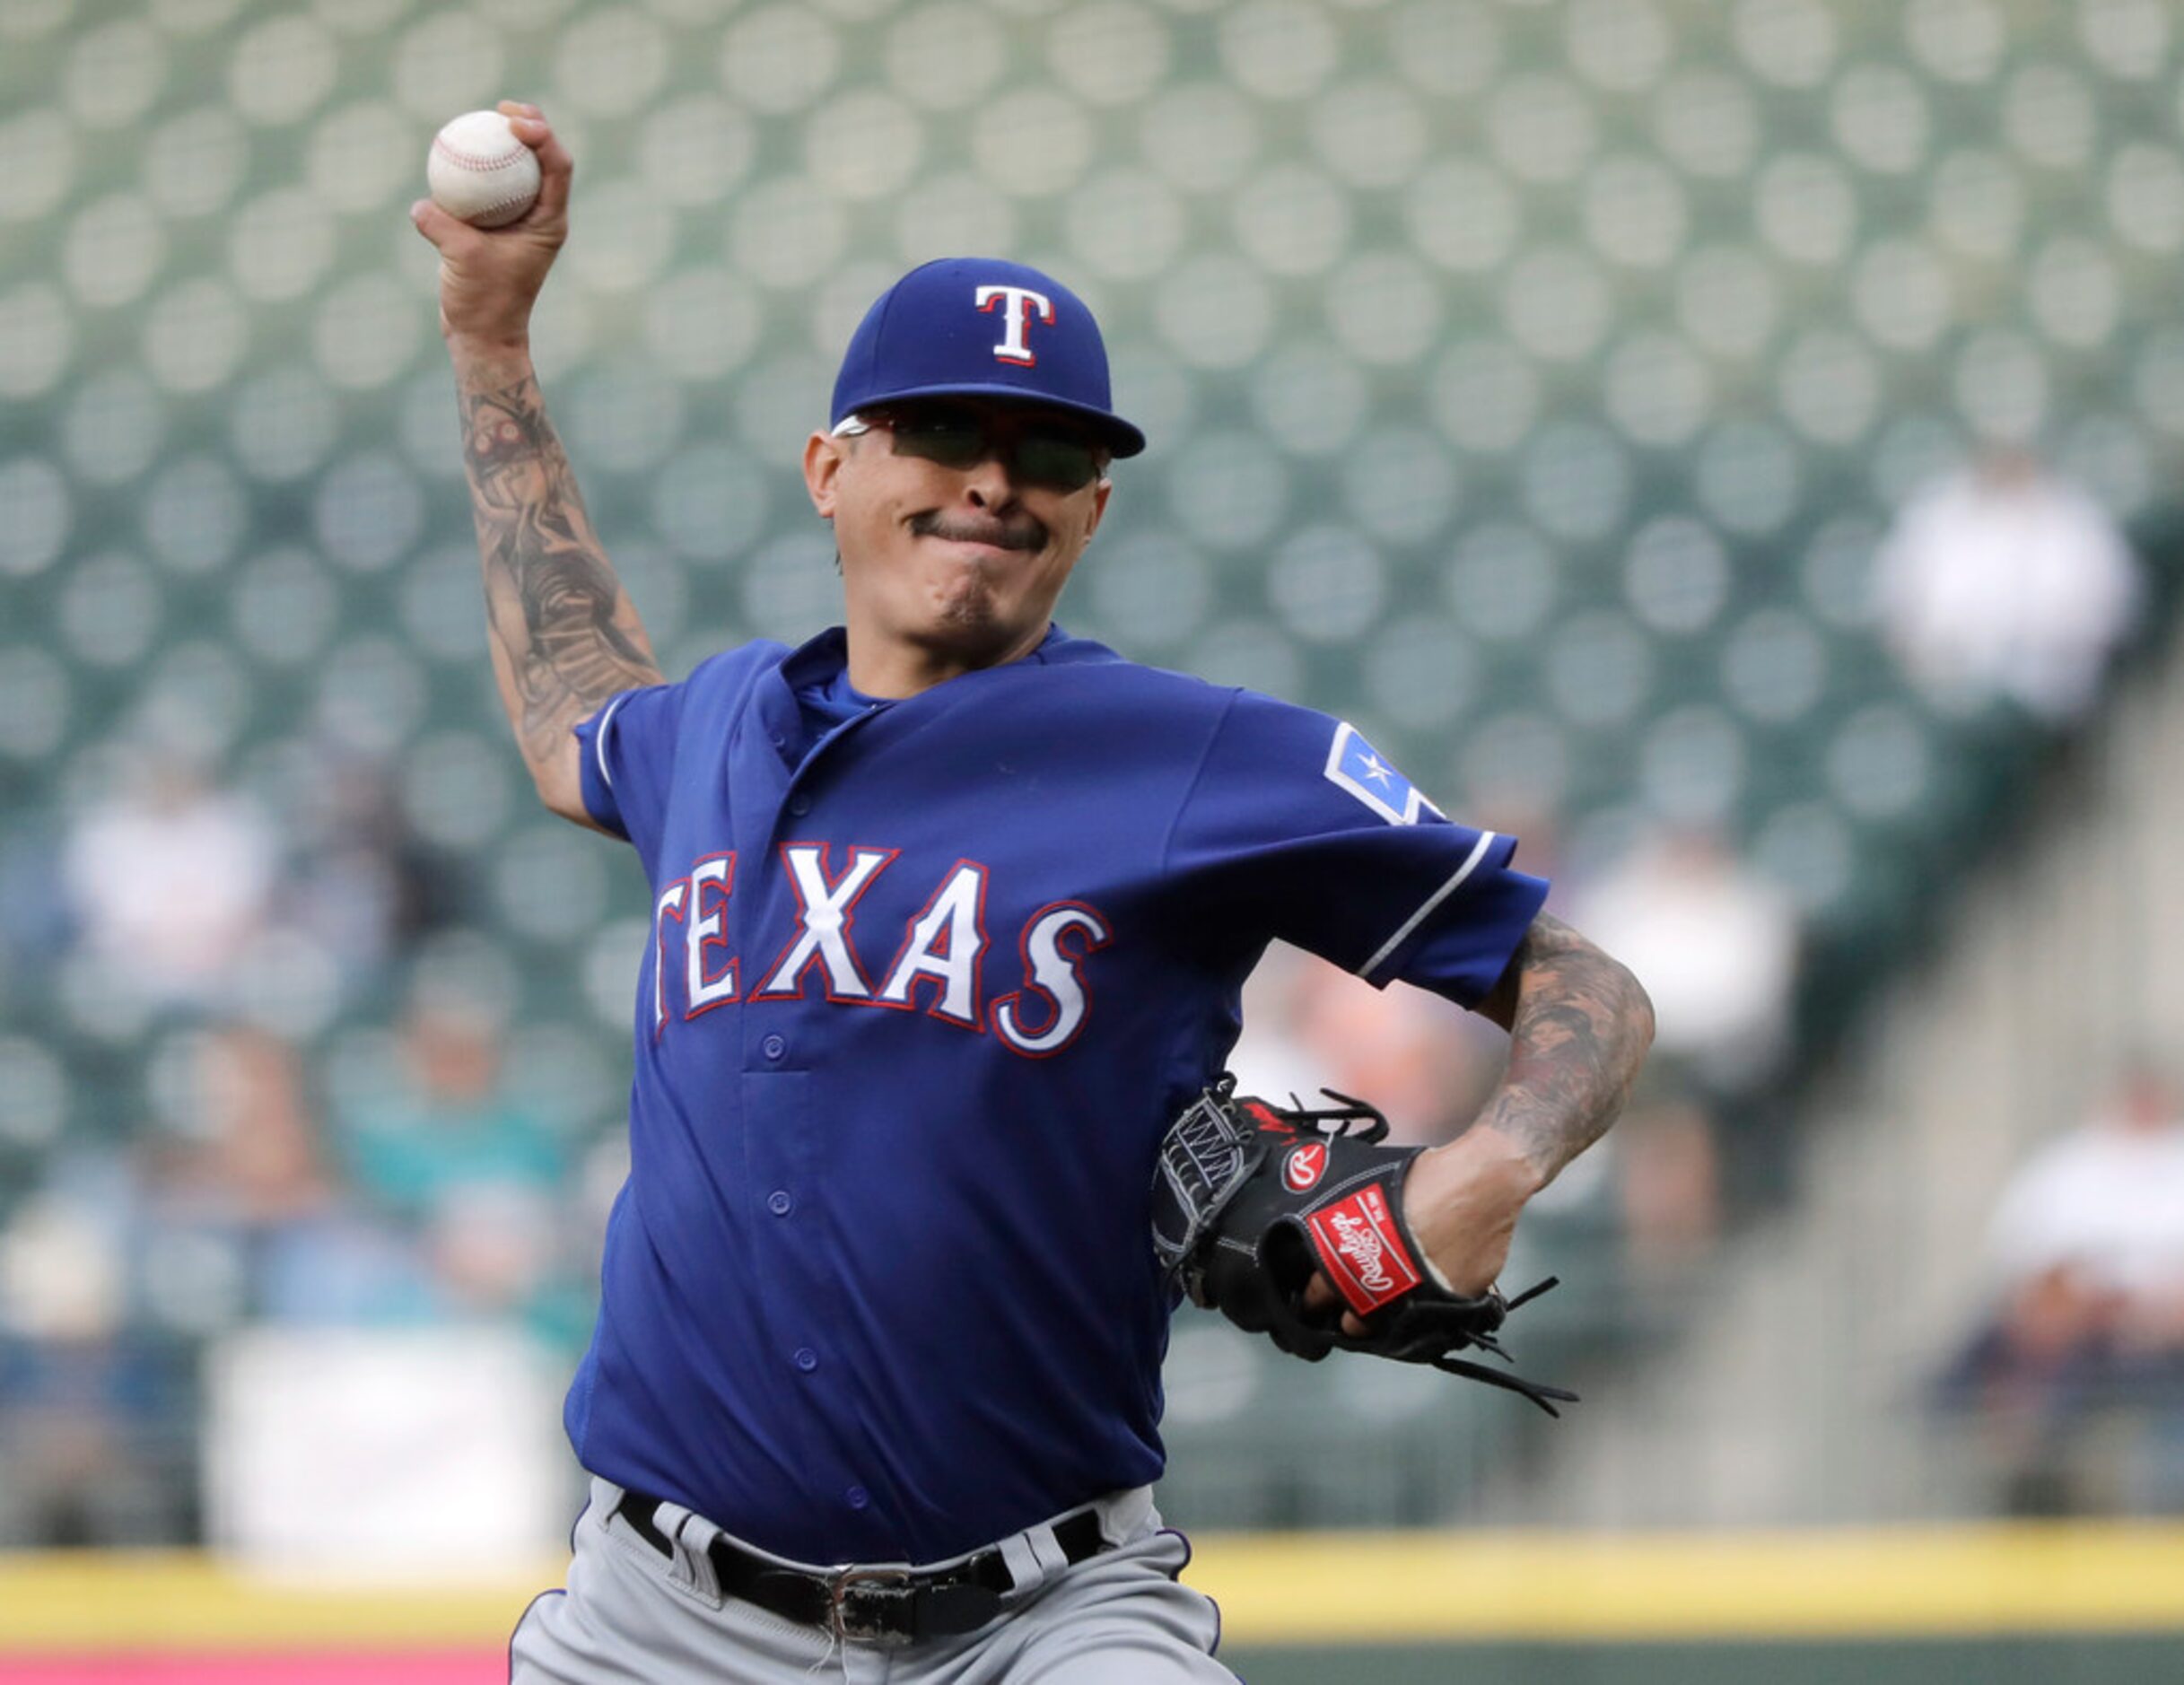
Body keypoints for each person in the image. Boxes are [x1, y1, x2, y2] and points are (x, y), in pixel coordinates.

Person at [411, 103, 1654, 1683]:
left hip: (1041, 1618)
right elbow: (563, 699)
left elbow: (1580, 979)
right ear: (828, 467)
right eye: (941, 434)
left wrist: (1493, 1162)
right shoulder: (710, 729)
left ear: (1093, 509)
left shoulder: (1198, 758)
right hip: (659, 1620)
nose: (994, 480)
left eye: (1050, 453)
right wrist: (490, 335)